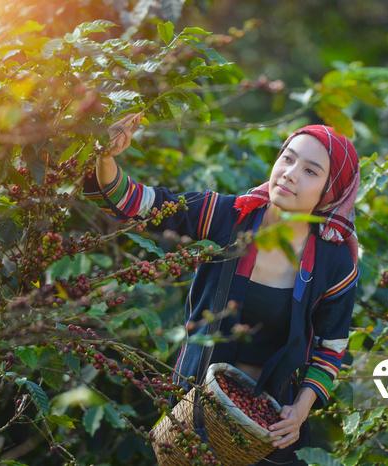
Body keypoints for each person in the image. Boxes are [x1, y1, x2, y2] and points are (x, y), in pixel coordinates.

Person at [84, 114, 359, 464]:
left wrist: (300, 410)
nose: (291, 173)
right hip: (196, 411)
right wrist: (106, 158)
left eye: (311, 171)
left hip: (269, 429)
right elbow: (144, 204)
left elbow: (331, 347)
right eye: (288, 158)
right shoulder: (229, 216)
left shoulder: (334, 264)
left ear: (329, 191)